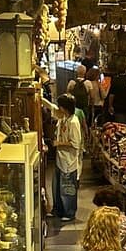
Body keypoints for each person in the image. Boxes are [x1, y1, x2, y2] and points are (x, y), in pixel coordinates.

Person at [50, 94, 83, 222]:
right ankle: (58, 210)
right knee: (57, 187)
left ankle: (69, 213)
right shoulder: (64, 118)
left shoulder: (74, 122)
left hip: (69, 161)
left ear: (64, 108)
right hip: (61, 159)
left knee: (67, 188)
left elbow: (75, 143)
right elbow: (52, 108)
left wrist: (59, 143)